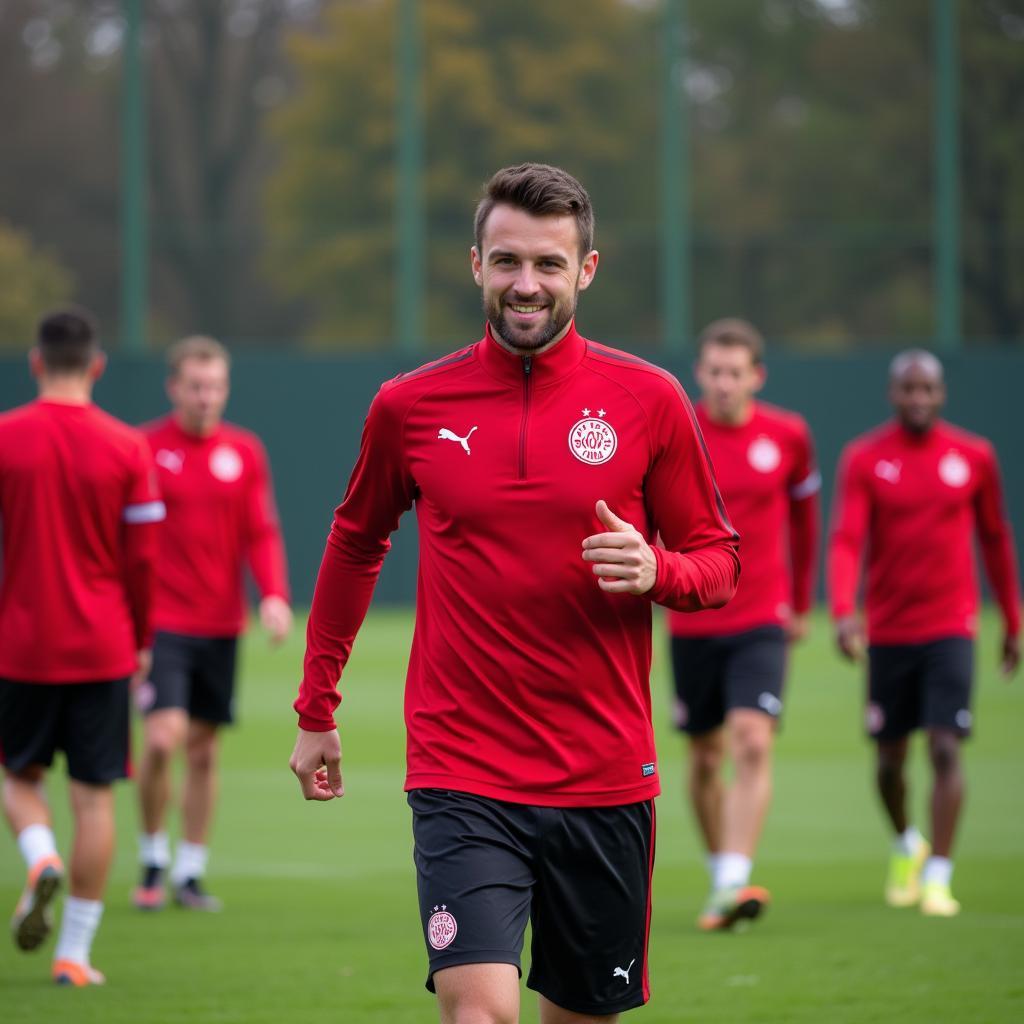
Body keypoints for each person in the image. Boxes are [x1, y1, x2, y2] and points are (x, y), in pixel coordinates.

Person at [289, 163, 740, 1024]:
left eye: (546, 264)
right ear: (475, 266)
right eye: (505, 262)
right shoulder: (409, 406)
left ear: (587, 270)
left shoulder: (649, 400)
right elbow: (355, 543)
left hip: (604, 775)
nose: (524, 284)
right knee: (479, 1012)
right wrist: (317, 707)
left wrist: (660, 571)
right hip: (463, 769)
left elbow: (718, 558)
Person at [0, 307, 164, 986]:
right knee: (95, 800)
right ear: (96, 365)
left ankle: (40, 857)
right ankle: (74, 955)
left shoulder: (5, 438)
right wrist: (143, 641)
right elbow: (145, 561)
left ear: (36, 363)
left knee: (18, 778)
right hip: (103, 645)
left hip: (21, 644)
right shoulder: (129, 447)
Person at [828, 349, 1020, 917]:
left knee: (943, 746)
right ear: (893, 394)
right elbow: (846, 539)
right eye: (908, 390)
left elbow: (995, 538)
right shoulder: (866, 457)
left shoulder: (974, 456)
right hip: (888, 631)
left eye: (928, 390)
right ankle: (907, 845)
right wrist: (844, 611)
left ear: (941, 394)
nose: (918, 399)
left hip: (951, 627)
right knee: (889, 763)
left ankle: (939, 873)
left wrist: (1012, 617)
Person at [668, 318, 819, 931]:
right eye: (714, 371)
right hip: (693, 616)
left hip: (762, 615)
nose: (725, 383)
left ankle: (733, 878)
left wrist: (801, 604)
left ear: (756, 375)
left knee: (753, 740)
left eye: (736, 372)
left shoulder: (787, 435)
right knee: (704, 758)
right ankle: (721, 874)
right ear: (699, 373)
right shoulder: (680, 429)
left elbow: (805, 522)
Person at [133, 336, 292, 912]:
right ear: (174, 388)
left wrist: (273, 595)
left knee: (202, 753)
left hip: (221, 625)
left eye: (216, 387)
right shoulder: (145, 449)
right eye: (196, 386)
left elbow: (261, 531)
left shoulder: (243, 452)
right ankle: (152, 853)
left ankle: (190, 870)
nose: (207, 397)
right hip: (161, 625)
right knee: (160, 738)